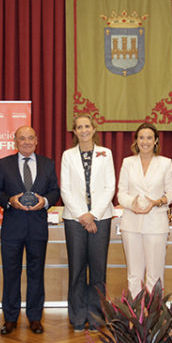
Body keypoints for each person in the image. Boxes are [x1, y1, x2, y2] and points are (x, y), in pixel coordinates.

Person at [0, 125, 59, 335]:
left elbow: (55, 191)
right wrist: (9, 201)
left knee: (36, 273)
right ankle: (10, 318)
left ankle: (35, 318)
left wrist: (45, 201)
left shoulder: (48, 163)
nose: (27, 142)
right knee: (11, 274)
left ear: (36, 140)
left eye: (30, 138)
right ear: (15, 142)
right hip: (12, 228)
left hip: (37, 228)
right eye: (22, 138)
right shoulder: (5, 164)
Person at [60, 114, 116, 331]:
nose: (83, 130)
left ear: (93, 129)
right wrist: (83, 216)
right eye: (79, 127)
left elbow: (110, 187)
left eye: (87, 126)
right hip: (74, 219)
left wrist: (93, 214)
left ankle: (96, 317)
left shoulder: (106, 153)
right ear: (74, 131)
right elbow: (65, 189)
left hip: (100, 218)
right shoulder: (68, 155)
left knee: (98, 270)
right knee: (77, 269)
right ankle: (77, 316)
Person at [116, 122, 172, 297]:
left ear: (156, 140)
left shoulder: (165, 163)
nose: (145, 142)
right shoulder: (128, 162)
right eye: (141, 138)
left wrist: (157, 202)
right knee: (134, 275)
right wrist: (132, 203)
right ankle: (135, 312)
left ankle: (154, 312)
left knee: (154, 275)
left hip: (156, 223)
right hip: (131, 224)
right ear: (136, 141)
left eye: (149, 138)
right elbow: (121, 193)